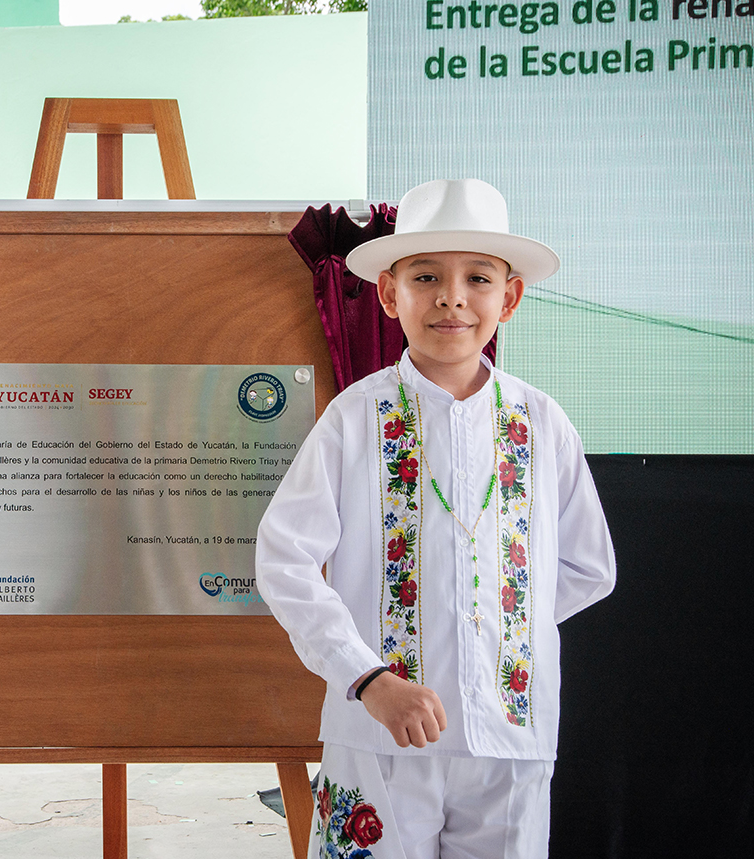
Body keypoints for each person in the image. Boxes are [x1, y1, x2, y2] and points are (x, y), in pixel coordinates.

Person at [256, 179, 615, 859]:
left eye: (478, 277)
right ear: (391, 295)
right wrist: (367, 675)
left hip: (510, 741)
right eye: (427, 276)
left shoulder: (542, 424)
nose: (453, 296)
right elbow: (283, 558)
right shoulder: (354, 419)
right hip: (379, 734)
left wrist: (493, 630)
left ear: (508, 298)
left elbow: (588, 567)